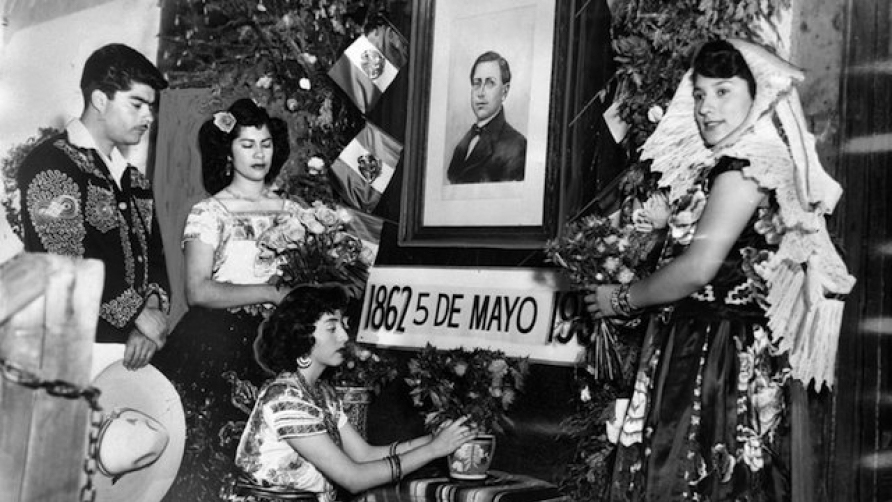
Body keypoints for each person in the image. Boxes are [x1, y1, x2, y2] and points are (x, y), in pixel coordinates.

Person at [584, 39, 855, 501]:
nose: (707, 108)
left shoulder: (744, 169)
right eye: (700, 94)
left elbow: (697, 269)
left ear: (758, 96)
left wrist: (621, 299)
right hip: (709, 344)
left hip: (717, 356)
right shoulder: (735, 165)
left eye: (723, 91)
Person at [151, 98, 299, 501]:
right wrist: (269, 292)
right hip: (219, 344)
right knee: (210, 465)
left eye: (265, 143)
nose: (258, 154)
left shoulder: (295, 211)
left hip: (279, 346)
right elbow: (197, 290)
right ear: (229, 153)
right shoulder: (209, 212)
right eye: (247, 144)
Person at [236, 284, 475, 501]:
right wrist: (434, 449)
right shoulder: (285, 398)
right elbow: (354, 478)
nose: (343, 336)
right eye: (332, 328)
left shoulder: (321, 393)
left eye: (343, 325)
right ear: (302, 339)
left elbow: (364, 454)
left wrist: (436, 438)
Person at [17, 43, 170, 370]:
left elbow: (155, 257)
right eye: (138, 104)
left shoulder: (134, 180)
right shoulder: (52, 163)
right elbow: (64, 259)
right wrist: (139, 314)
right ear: (100, 99)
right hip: (68, 352)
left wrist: (152, 313)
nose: (148, 117)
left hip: (128, 352)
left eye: (151, 107)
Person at [447, 51, 527, 184]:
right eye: (477, 83)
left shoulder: (517, 146)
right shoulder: (466, 140)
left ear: (504, 91)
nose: (481, 92)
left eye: (490, 83)